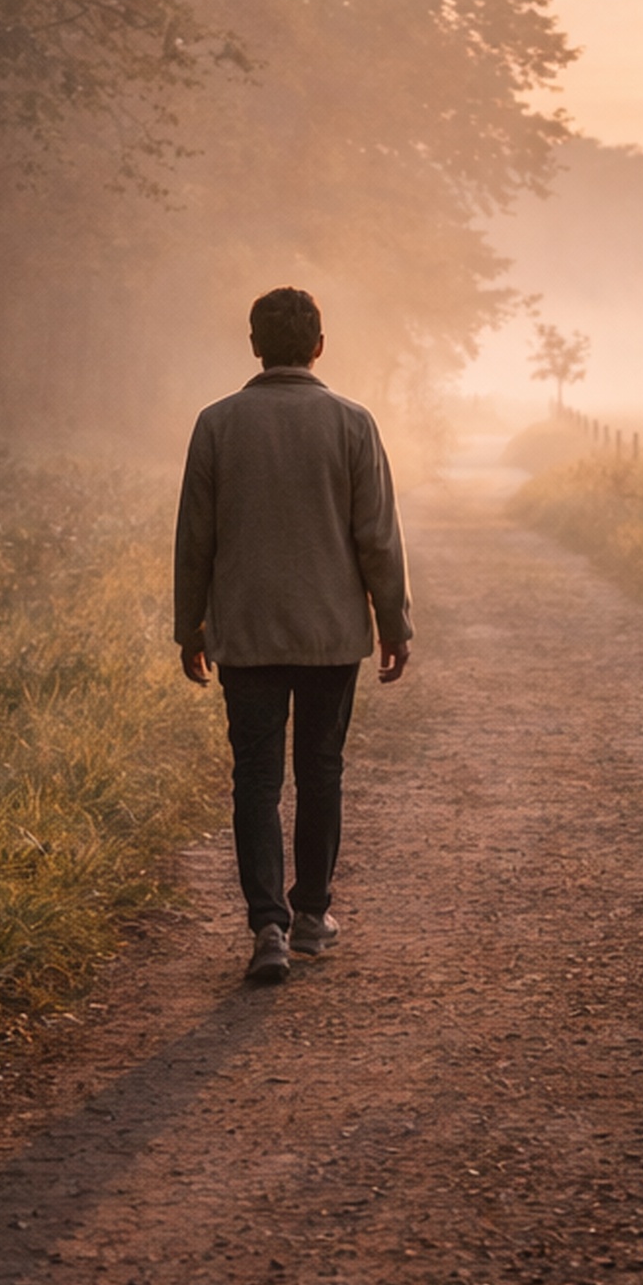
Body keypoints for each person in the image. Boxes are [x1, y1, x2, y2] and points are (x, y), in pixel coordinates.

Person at [173, 287, 413, 985]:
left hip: (245, 632)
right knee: (320, 771)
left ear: (253, 344)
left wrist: (189, 624)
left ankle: (267, 926)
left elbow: (196, 538)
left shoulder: (216, 424)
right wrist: (394, 622)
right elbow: (378, 538)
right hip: (330, 634)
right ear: (318, 345)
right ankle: (312, 915)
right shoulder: (352, 423)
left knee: (255, 779)